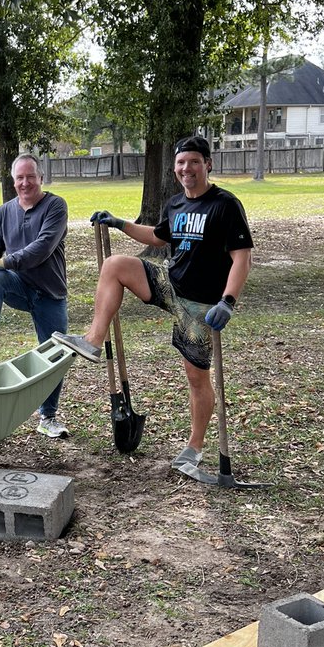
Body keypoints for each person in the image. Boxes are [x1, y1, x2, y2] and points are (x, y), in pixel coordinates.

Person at [53, 135, 252, 468]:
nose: (186, 168)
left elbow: (242, 258)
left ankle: (195, 446)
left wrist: (228, 301)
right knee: (115, 265)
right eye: (181, 163)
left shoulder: (225, 205)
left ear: (208, 164)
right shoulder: (176, 204)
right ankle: (92, 340)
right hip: (170, 284)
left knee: (196, 377)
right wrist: (119, 223)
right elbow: (159, 236)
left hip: (201, 305)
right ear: (175, 168)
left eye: (194, 162)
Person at [0, 153, 69, 438]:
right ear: (13, 180)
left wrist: (5, 262)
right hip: (18, 287)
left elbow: (42, 248)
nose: (25, 183)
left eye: (30, 177)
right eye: (19, 177)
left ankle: (48, 417)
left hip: (50, 293)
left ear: (41, 178)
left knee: (55, 355)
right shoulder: (4, 211)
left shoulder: (55, 206)